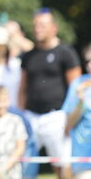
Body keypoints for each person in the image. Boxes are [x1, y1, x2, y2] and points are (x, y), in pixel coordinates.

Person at [18, 8, 80, 179]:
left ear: (54, 28)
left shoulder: (66, 52)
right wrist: (22, 115)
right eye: (35, 25)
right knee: (25, 165)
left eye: (42, 25)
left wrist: (70, 118)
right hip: (30, 116)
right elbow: (22, 88)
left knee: (62, 166)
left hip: (57, 117)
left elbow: (76, 88)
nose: (37, 28)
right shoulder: (28, 56)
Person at [62, 44, 91, 179]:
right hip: (84, 162)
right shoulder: (78, 84)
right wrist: (80, 102)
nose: (90, 65)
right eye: (88, 61)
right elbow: (68, 125)